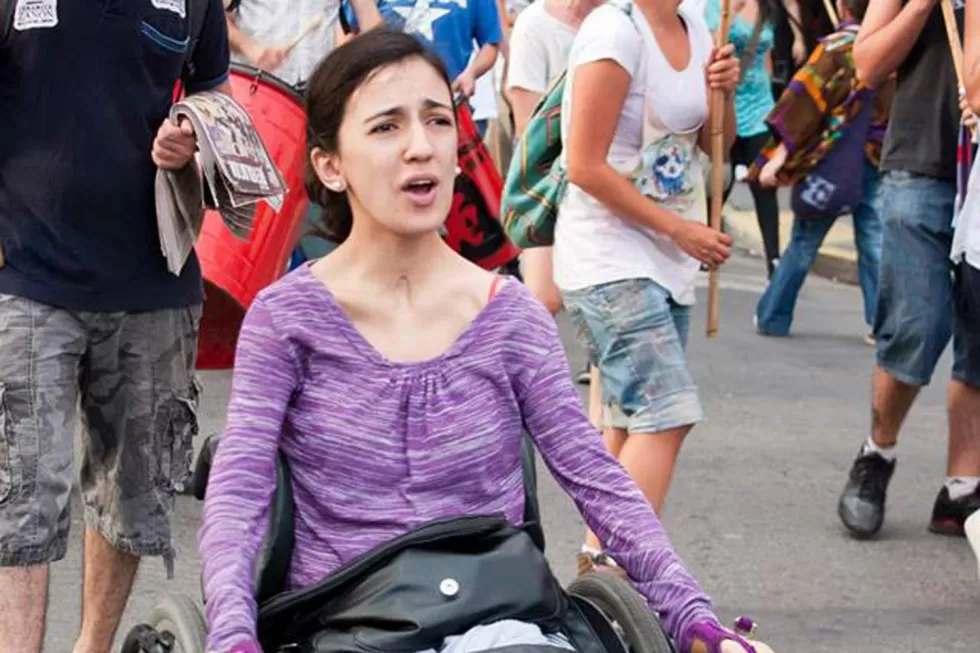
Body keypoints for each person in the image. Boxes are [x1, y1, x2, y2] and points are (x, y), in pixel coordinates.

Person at [198, 28, 770, 653]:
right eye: (386, 127)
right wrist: (231, 635)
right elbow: (240, 492)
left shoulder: (511, 317)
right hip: (345, 624)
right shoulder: (289, 318)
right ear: (330, 166)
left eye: (438, 121)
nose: (421, 147)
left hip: (501, 621)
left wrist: (694, 620)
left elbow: (597, 479)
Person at [0, 2, 230, 653]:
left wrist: (192, 131)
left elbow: (214, 88)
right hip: (24, 274)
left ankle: (92, 648)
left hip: (153, 280)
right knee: (21, 496)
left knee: (130, 497)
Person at [550, 0, 738, 573]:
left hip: (667, 259)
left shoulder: (698, 25)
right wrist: (680, 229)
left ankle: (595, 574)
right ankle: (619, 569)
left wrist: (723, 91)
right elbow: (583, 164)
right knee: (666, 411)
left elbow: (714, 144)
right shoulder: (616, 29)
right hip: (608, 258)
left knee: (629, 425)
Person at [836, 0, 980, 540]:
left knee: (978, 340)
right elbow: (867, 64)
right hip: (922, 163)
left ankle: (962, 490)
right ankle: (877, 454)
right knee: (914, 326)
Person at [749, 0, 890, 342]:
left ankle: (774, 314)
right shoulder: (892, 49)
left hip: (831, 158)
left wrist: (780, 154)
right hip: (876, 155)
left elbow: (804, 102)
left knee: (804, 241)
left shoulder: (837, 49)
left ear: (843, 8)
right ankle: (879, 323)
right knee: (873, 242)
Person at [705, 0, 782, 277]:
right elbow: (712, 49)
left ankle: (774, 258)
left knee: (764, 183)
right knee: (719, 180)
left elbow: (767, 56)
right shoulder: (716, 6)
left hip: (760, 105)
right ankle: (709, 239)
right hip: (728, 102)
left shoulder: (766, 7)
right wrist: (733, 12)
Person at [341, 0, 502, 100]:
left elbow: (490, 43)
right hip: (386, 95)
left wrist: (471, 73)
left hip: (449, 98)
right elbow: (349, 38)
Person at [226, 0, 382, 89]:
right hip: (253, 83)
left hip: (321, 85)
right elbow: (214, 19)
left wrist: (354, 53)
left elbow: (372, 24)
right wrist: (249, 47)